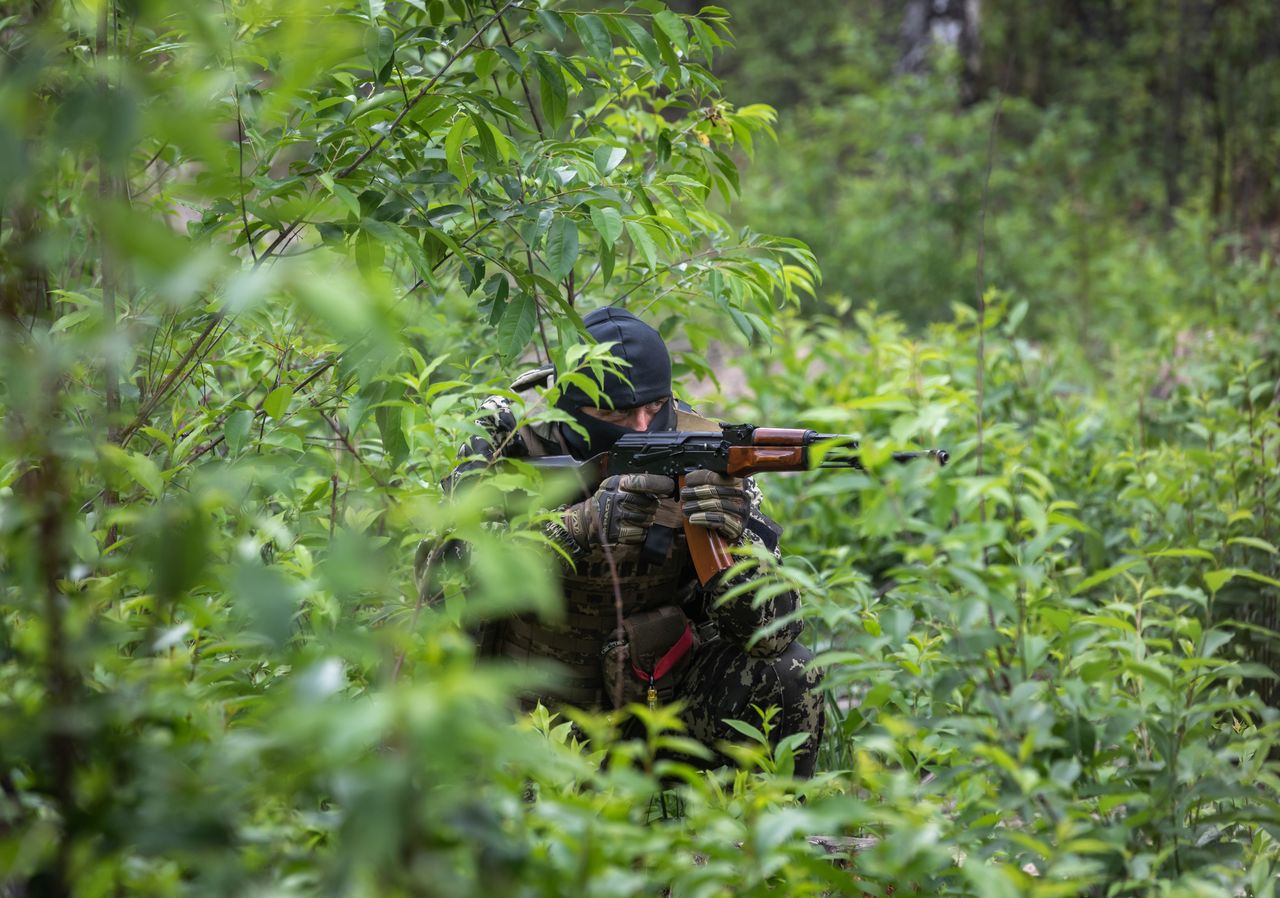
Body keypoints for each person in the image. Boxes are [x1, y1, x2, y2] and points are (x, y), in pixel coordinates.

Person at [429, 307, 824, 777]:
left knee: (789, 671)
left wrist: (732, 541)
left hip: (657, 701)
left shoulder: (700, 446)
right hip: (520, 709)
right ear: (571, 407)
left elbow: (773, 634)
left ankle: (764, 836)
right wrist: (574, 527)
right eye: (613, 413)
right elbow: (441, 587)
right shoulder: (509, 436)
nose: (640, 428)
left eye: (654, 409)